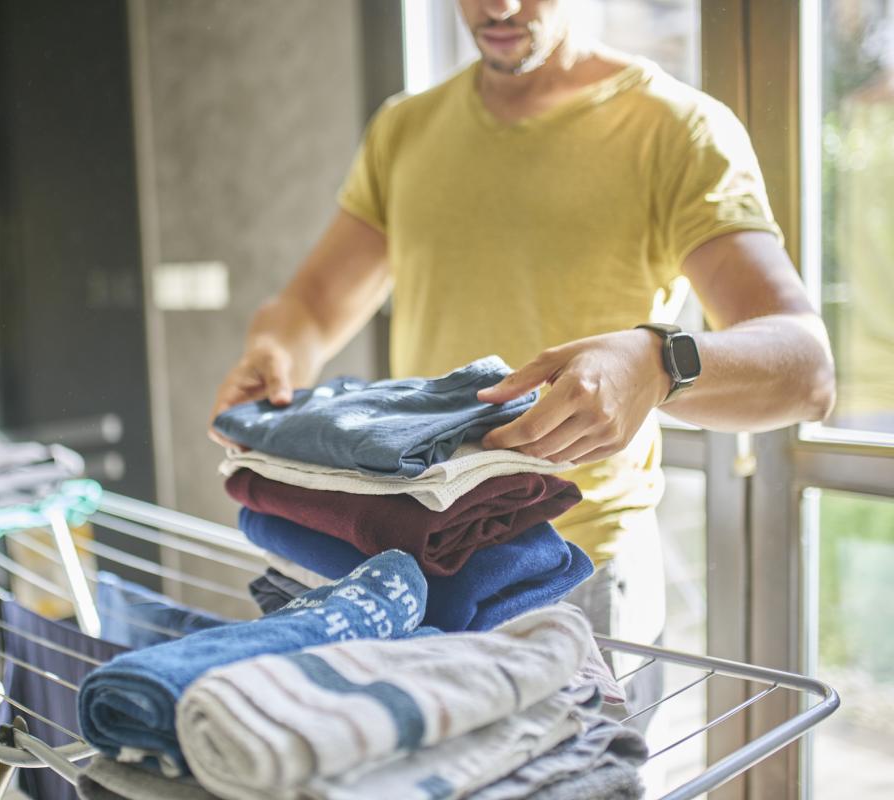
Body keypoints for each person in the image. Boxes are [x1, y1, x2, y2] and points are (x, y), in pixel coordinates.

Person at [208, 0, 835, 719]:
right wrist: (275, 349)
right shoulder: (406, 129)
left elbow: (806, 368)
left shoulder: (676, 129)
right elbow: (313, 307)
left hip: (574, 572)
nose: (497, 6)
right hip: (414, 559)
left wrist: (659, 363)